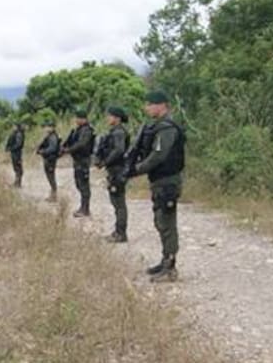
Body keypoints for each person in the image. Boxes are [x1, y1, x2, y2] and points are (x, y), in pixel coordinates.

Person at [127, 90, 184, 282]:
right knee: (161, 221)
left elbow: (158, 155)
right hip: (160, 181)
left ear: (161, 105)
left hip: (167, 181)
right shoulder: (156, 126)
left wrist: (137, 169)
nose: (147, 107)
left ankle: (170, 267)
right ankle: (165, 260)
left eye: (150, 104)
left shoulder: (167, 128)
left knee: (166, 223)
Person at [95, 106, 132, 242]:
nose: (107, 118)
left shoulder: (119, 133)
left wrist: (105, 161)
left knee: (119, 203)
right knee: (116, 202)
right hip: (114, 170)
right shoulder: (115, 131)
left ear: (116, 118)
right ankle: (118, 231)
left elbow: (119, 150)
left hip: (118, 170)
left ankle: (121, 233)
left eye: (110, 116)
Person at [62, 109, 96, 217]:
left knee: (84, 184)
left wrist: (69, 150)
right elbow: (71, 141)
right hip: (77, 160)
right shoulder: (78, 130)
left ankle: (85, 209)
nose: (76, 120)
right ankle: (83, 207)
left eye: (78, 118)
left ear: (83, 119)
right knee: (78, 183)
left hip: (83, 160)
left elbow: (81, 144)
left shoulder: (87, 130)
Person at [35, 121, 61, 201]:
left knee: (51, 177)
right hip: (48, 158)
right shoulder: (49, 136)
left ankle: (54, 195)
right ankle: (53, 194)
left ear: (52, 127)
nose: (46, 128)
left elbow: (52, 148)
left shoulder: (53, 137)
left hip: (50, 159)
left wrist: (42, 151)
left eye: (48, 126)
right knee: (50, 176)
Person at [4, 122, 25, 187]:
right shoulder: (17, 133)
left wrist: (11, 148)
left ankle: (18, 183)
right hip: (15, 152)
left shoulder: (19, 134)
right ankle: (17, 183)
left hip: (17, 153)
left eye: (14, 126)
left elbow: (18, 144)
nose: (13, 128)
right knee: (16, 168)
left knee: (17, 168)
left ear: (17, 127)